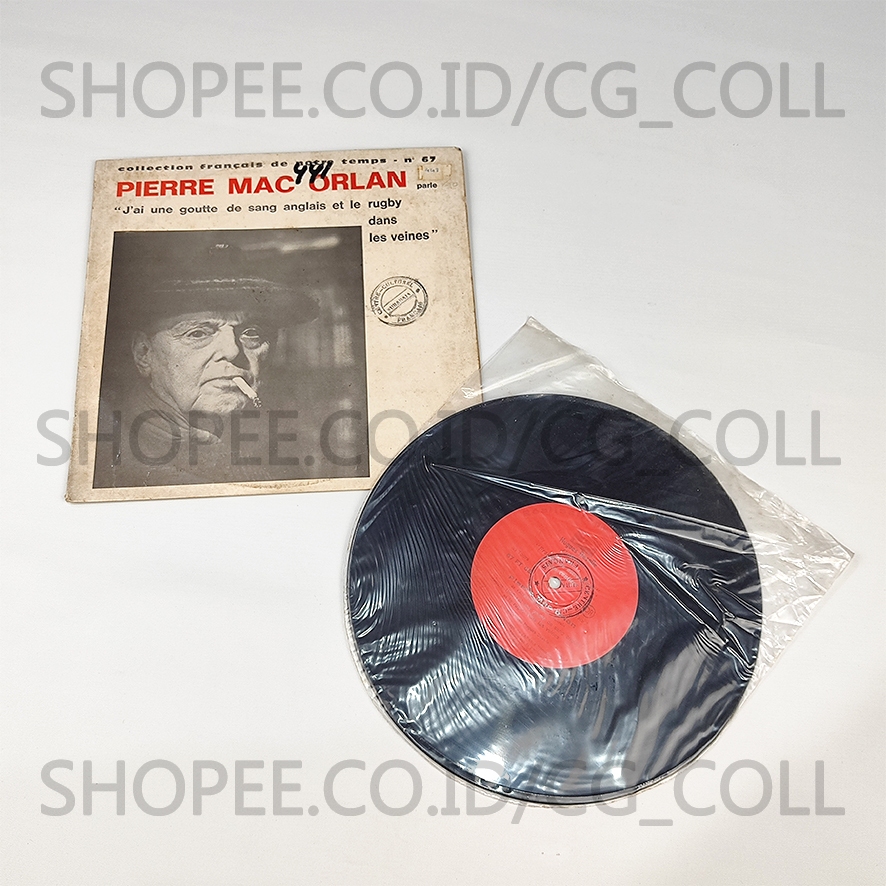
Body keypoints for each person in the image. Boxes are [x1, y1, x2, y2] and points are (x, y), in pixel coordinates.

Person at [92, 234, 317, 488]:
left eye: (251, 333)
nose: (232, 351)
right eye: (198, 333)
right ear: (144, 354)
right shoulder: (107, 463)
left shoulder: (276, 457)